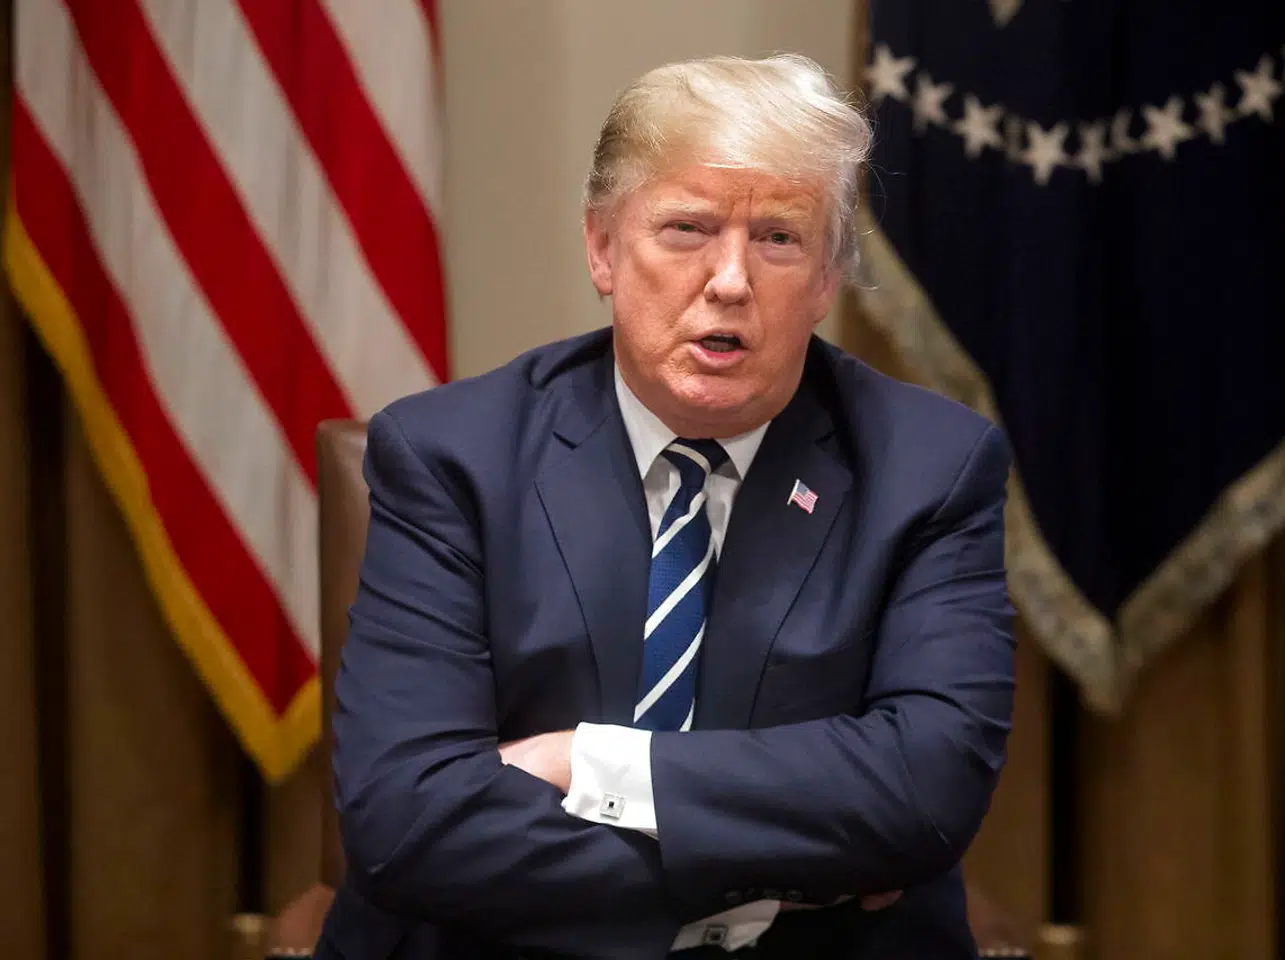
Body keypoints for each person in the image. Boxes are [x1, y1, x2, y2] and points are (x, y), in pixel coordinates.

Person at [316, 53, 1015, 960]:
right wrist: (786, 880)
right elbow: (407, 822)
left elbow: (924, 795)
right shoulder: (451, 457)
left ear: (829, 277)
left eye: (779, 238)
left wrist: (592, 763)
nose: (730, 280)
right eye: (686, 228)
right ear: (603, 248)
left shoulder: (932, 468)